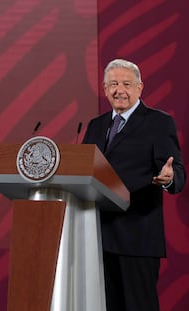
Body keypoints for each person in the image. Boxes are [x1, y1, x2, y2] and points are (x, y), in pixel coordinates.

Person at [82, 59, 186, 311]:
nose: (120, 90)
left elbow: (177, 171)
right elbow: (83, 169)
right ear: (105, 89)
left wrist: (169, 179)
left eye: (127, 84)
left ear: (140, 88)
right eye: (113, 84)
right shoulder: (96, 125)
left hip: (137, 237)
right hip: (99, 237)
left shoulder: (159, 122)